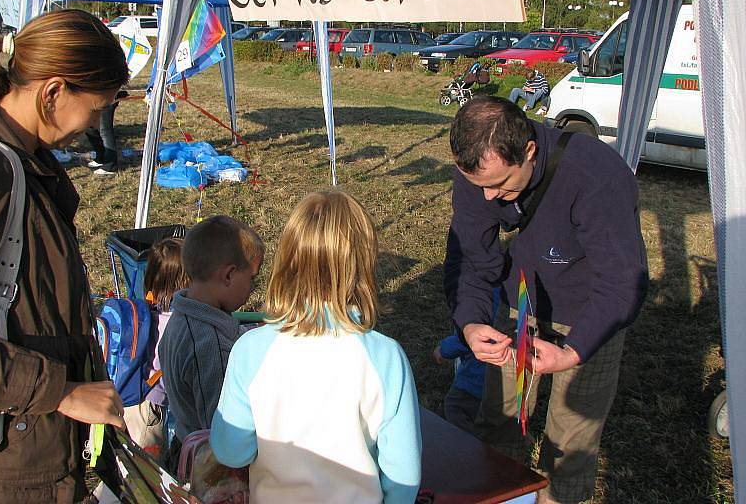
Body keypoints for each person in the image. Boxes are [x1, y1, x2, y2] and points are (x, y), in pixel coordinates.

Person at [0, 10, 129, 503]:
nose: (95, 126)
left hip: (32, 458)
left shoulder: (28, 165)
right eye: (96, 109)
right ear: (52, 92)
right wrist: (62, 392)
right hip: (0, 474)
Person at [444, 97, 648, 504]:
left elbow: (622, 282)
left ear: (530, 151)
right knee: (500, 422)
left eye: (499, 185)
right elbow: (471, 260)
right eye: (478, 186)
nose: (487, 198)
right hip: (520, 307)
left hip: (589, 312)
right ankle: (499, 493)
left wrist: (573, 352)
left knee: (569, 442)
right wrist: (471, 322)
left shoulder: (597, 175)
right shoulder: (479, 176)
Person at [211, 191, 422, 504]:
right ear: (363, 266)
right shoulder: (386, 356)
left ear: (288, 261)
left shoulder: (250, 350)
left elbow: (231, 449)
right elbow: (403, 477)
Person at [159, 216, 264, 473]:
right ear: (228, 275)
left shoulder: (181, 317)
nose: (252, 288)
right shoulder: (209, 347)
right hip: (208, 469)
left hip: (184, 441)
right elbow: (221, 433)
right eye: (252, 278)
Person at [122, 237, 189, 461]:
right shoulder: (176, 324)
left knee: (126, 463)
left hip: (126, 398)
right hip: (149, 407)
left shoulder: (146, 312)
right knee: (145, 471)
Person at [86, 89, 127, 176]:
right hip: (91, 95)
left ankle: (110, 166)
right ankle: (100, 157)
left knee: (105, 130)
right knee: (90, 128)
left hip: (107, 94)